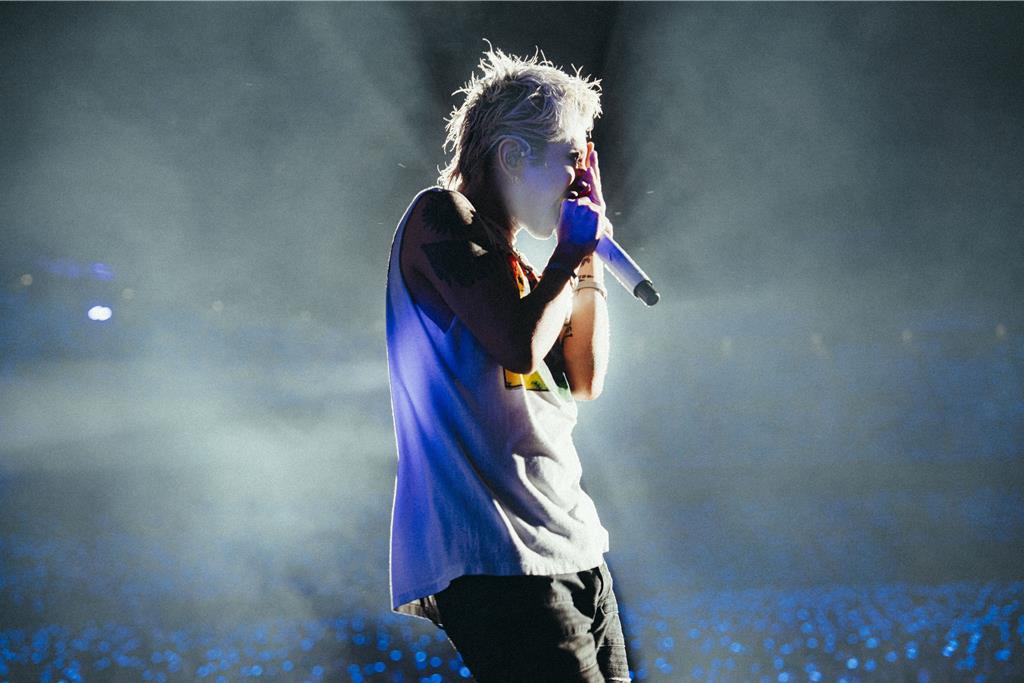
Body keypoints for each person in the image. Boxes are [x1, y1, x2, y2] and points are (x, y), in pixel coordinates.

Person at [384, 45, 629, 682]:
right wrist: (566, 253)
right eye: (571, 156)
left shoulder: (523, 266)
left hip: (573, 546)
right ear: (514, 155)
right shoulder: (440, 216)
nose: (579, 179)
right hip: (500, 557)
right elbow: (517, 345)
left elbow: (586, 378)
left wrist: (587, 257)